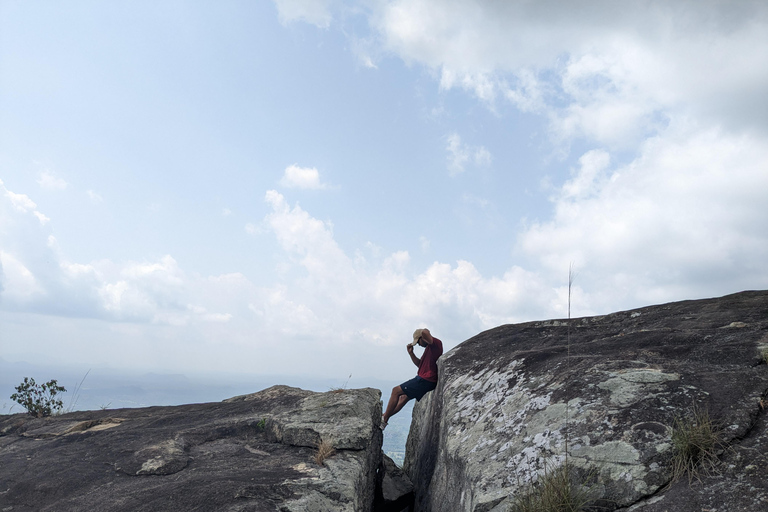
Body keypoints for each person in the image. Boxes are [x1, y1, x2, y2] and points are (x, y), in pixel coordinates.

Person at [381, 328, 443, 430]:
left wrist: (423, 333)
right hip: (425, 379)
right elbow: (420, 365)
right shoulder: (428, 350)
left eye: (418, 342)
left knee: (395, 391)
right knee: (403, 397)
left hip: (425, 380)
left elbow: (425, 332)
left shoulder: (435, 344)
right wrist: (411, 353)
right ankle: (385, 417)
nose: (418, 344)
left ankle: (384, 418)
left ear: (422, 338)